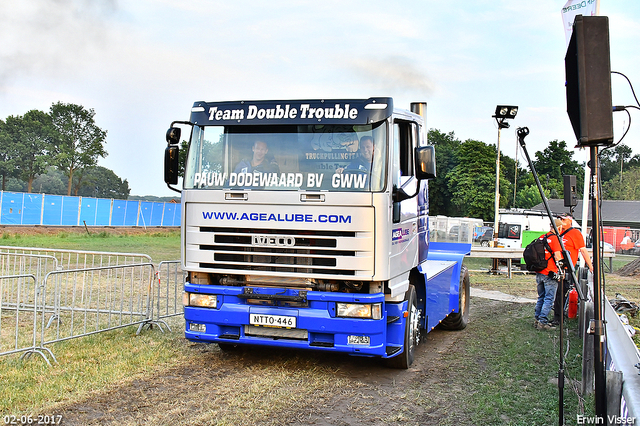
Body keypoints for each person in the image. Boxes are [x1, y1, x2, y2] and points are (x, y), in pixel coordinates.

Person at [552, 214, 594, 325]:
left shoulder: (575, 233)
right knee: (555, 292)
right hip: (554, 267)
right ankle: (556, 314)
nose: (561, 221)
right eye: (560, 219)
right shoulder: (558, 232)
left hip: (565, 268)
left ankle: (558, 318)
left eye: (563, 219)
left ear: (570, 221)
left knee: (561, 293)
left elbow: (583, 251)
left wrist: (590, 266)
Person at [534, 219, 564, 331]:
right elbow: (558, 257)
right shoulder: (555, 239)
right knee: (549, 298)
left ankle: (537, 319)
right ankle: (542, 322)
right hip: (550, 272)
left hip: (540, 271)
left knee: (541, 296)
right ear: (559, 228)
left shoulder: (543, 237)